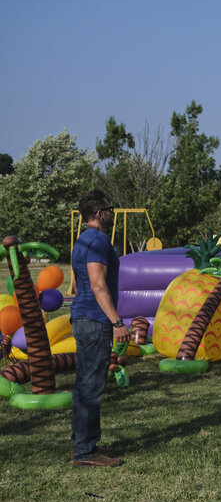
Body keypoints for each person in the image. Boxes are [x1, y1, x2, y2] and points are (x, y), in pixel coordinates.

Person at [70, 190, 131, 467]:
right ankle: (86, 451)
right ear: (99, 213)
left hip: (83, 318)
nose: (112, 212)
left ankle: (82, 444)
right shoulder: (97, 239)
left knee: (84, 385)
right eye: (109, 208)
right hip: (95, 320)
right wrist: (116, 321)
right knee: (91, 387)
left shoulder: (82, 239)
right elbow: (97, 284)